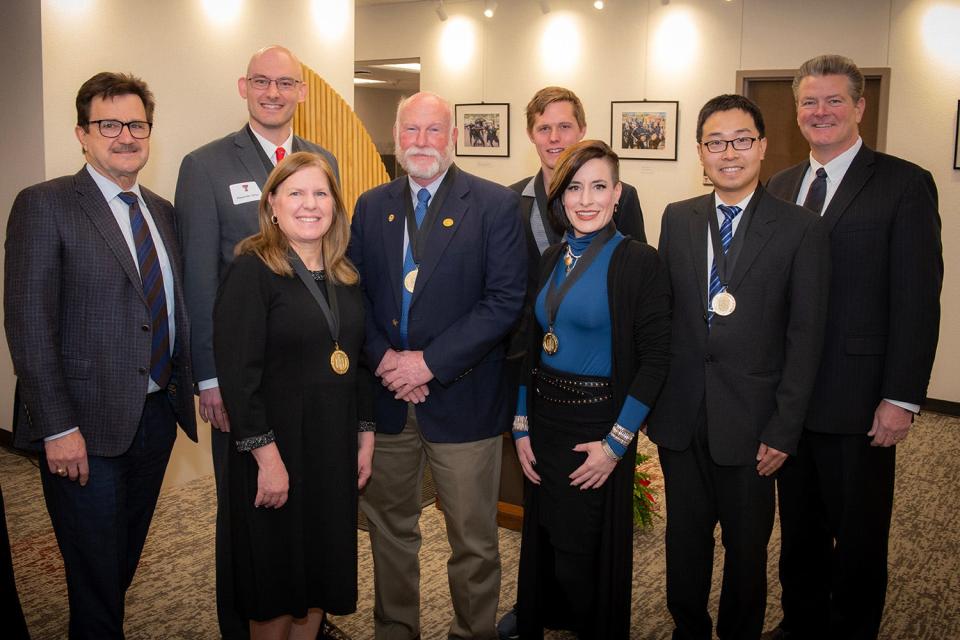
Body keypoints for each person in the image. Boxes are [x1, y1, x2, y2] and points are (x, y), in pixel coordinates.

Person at [4, 72, 197, 638]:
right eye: (108, 124)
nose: (125, 135)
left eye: (136, 124)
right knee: (93, 577)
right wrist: (57, 426)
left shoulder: (161, 210)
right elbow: (28, 324)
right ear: (81, 134)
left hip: (156, 417)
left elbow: (169, 308)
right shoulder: (46, 205)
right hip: (81, 429)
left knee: (120, 565)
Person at [763, 55, 943, 640]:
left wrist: (902, 398)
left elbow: (918, 300)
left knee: (860, 534)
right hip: (792, 401)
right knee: (799, 531)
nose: (821, 112)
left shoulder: (903, 183)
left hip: (862, 400)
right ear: (796, 112)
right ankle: (800, 623)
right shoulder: (782, 186)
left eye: (834, 100)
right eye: (810, 102)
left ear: (860, 107)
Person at [647, 94, 830, 640]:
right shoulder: (678, 218)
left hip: (753, 425)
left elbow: (806, 337)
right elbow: (667, 317)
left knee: (747, 549)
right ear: (700, 153)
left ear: (763, 146)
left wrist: (784, 427)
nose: (730, 152)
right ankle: (688, 629)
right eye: (716, 142)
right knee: (684, 542)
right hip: (682, 419)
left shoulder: (801, 229)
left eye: (742, 140)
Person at [174, 44, 339, 640]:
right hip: (246, 384)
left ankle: (307, 620)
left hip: (313, 382)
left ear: (300, 92)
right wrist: (210, 378)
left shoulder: (323, 160)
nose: (274, 92)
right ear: (244, 87)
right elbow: (197, 277)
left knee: (310, 510)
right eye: (262, 82)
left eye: (285, 83)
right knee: (249, 516)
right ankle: (240, 626)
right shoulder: (206, 164)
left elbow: (332, 259)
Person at [348, 91, 526, 640]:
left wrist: (427, 364)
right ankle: (395, 629)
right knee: (389, 531)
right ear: (396, 137)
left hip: (463, 397)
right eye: (411, 131)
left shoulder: (495, 205)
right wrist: (386, 362)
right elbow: (353, 294)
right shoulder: (371, 205)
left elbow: (504, 301)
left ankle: (473, 632)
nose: (421, 142)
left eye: (433, 131)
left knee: (472, 537)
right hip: (389, 399)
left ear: (452, 138)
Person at [499, 85, 650, 640]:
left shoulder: (629, 227)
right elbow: (521, 317)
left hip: (598, 399)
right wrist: (519, 414)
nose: (554, 138)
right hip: (540, 390)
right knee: (546, 526)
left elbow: (643, 330)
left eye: (565, 127)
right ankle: (544, 607)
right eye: (544, 128)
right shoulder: (521, 214)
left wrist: (619, 436)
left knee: (586, 539)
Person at [213, 151, 373, 640]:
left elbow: (358, 360)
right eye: (296, 193)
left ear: (335, 206)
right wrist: (268, 460)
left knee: (318, 579)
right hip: (275, 452)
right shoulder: (252, 272)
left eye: (321, 193)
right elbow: (239, 378)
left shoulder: (345, 277)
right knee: (276, 585)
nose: (310, 204)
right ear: (272, 206)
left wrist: (364, 436)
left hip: (330, 451)